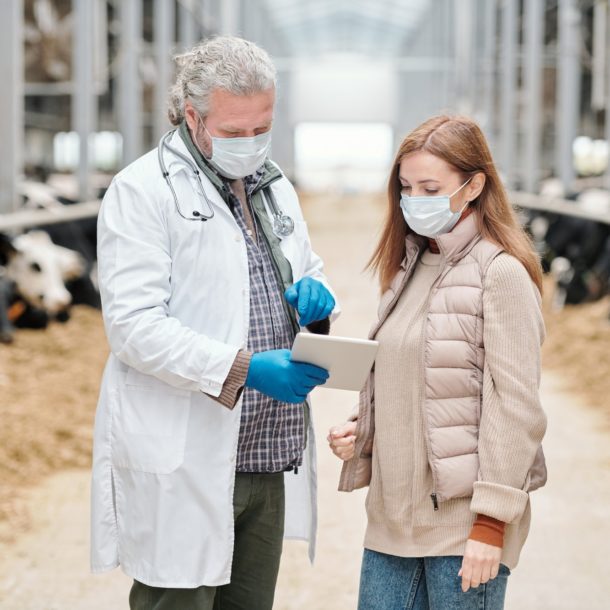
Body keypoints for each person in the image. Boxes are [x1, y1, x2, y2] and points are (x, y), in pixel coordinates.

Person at [90, 36, 339, 610]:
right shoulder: (142, 190)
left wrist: (319, 304)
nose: (250, 143)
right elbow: (132, 327)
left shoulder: (274, 188)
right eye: (233, 131)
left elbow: (309, 270)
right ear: (194, 117)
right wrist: (245, 369)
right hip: (188, 455)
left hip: (268, 452)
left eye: (262, 127)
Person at [328, 115, 547, 610]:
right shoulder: (405, 268)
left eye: (430, 187)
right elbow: (423, 380)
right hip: (390, 523)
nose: (414, 199)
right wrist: (365, 429)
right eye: (406, 187)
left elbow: (516, 408)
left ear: (474, 186)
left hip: (463, 530)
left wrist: (491, 524)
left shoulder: (501, 273)